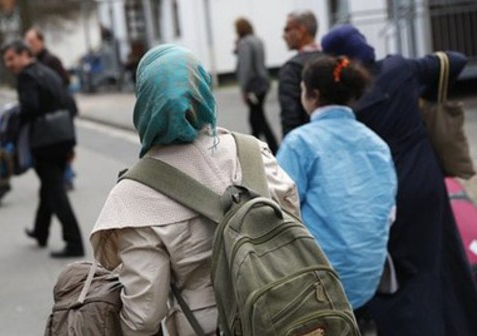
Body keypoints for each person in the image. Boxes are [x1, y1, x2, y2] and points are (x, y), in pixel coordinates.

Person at [90, 44, 301, 335]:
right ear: (203, 91)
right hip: (283, 312)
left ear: (144, 102)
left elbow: (144, 316)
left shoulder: (133, 196)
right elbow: (293, 227)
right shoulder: (253, 152)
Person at [322, 24, 477, 336]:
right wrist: (425, 93)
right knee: (443, 257)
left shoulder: (346, 98)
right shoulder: (400, 70)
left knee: (398, 274)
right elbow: (456, 59)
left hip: (379, 192)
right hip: (424, 181)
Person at [276, 55, 397, 312]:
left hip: (321, 282)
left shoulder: (299, 143)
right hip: (368, 276)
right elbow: (387, 211)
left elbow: (277, 210)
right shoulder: (377, 144)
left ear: (313, 95)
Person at [1, 41, 83, 258]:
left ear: (25, 55)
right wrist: (71, 142)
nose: (9, 64)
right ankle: (40, 231)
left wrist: (12, 126)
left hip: (44, 141)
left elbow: (30, 108)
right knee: (49, 185)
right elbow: (69, 105)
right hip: (62, 136)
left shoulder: (26, 77)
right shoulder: (48, 73)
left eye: (11, 58)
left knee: (55, 189)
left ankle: (74, 242)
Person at [25, 27, 78, 190]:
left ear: (41, 41)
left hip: (59, 113)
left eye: (32, 42)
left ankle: (66, 178)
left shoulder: (51, 60)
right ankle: (60, 179)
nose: (29, 45)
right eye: (27, 42)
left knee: (62, 144)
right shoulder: (34, 63)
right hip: (48, 116)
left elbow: (64, 82)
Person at [234, 18, 278, 153]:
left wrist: (243, 89)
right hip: (263, 82)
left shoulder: (244, 43)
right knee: (256, 116)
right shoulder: (257, 40)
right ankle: (260, 145)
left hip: (253, 86)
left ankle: (268, 146)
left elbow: (245, 68)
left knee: (257, 117)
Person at [279, 10, 323, 137]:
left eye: (287, 29)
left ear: (300, 31)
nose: (283, 35)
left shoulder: (292, 68)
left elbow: (290, 116)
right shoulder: (332, 60)